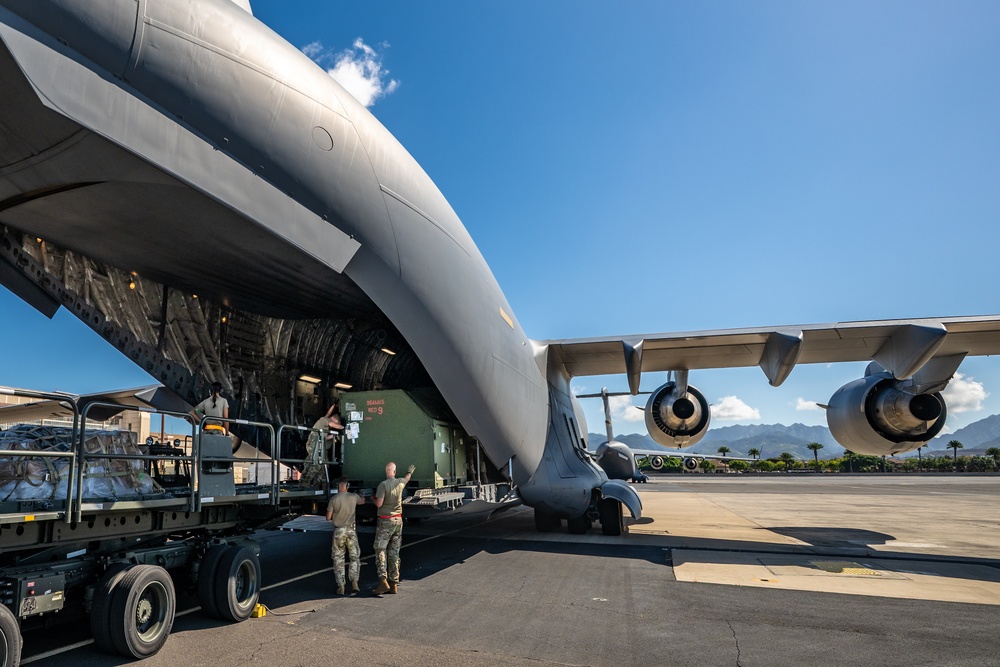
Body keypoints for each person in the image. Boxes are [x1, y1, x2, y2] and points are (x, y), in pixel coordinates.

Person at [371, 461, 414, 595]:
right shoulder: (400, 482)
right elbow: (407, 479)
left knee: (380, 550)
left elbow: (379, 504)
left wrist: (372, 498)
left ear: (386, 472)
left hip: (385, 521)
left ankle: (383, 581)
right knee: (394, 552)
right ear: (394, 472)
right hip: (398, 520)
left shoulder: (383, 485)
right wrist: (410, 472)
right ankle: (394, 582)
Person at [326, 476, 365, 595]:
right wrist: (361, 495)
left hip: (339, 531)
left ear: (338, 486)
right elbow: (362, 501)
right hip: (351, 531)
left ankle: (341, 586)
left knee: (338, 559)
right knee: (354, 557)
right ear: (347, 486)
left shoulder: (334, 499)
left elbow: (328, 517)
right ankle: (354, 583)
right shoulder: (353, 497)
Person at [301, 404, 344, 488]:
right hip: (315, 443)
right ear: (335, 420)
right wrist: (344, 428)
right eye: (337, 423)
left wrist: (333, 406)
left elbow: (326, 438)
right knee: (317, 464)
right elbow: (334, 425)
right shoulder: (325, 420)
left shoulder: (324, 422)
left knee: (319, 464)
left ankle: (318, 484)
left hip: (316, 444)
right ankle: (306, 482)